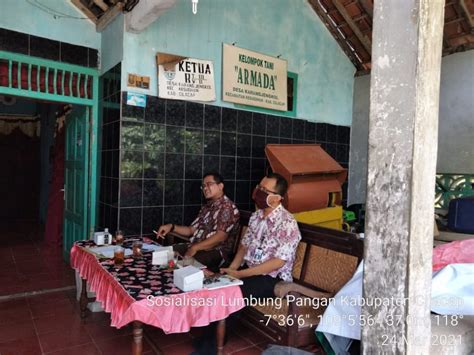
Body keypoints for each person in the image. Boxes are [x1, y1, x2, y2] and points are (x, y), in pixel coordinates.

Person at [193, 172, 301, 355]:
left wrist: (240, 275)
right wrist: (233, 268)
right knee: (217, 285)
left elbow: (277, 262)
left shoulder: (287, 223)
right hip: (249, 270)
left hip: (272, 279)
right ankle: (210, 338)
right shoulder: (256, 216)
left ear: (276, 198)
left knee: (232, 293)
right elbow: (244, 245)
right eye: (259, 187)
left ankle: (209, 349)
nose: (258, 192)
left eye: (265, 190)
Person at [156, 172, 239, 272]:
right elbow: (191, 230)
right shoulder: (207, 207)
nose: (205, 188)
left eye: (209, 184)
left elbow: (220, 237)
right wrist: (171, 227)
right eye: (203, 185)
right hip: (195, 246)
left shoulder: (227, 207)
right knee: (162, 256)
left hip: (215, 252)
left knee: (179, 267)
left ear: (220, 186)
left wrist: (195, 248)